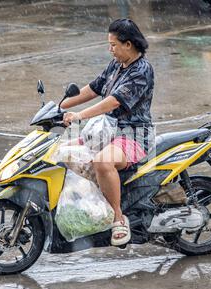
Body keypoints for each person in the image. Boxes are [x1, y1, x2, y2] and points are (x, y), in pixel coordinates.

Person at [62, 18, 154, 246]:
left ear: (129, 45)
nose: (110, 49)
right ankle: (92, 206)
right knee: (63, 151)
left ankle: (118, 218)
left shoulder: (142, 71)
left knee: (102, 161)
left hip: (134, 136)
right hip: (107, 132)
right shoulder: (116, 65)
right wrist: (60, 106)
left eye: (113, 45)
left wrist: (80, 115)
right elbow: (94, 88)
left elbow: (113, 102)